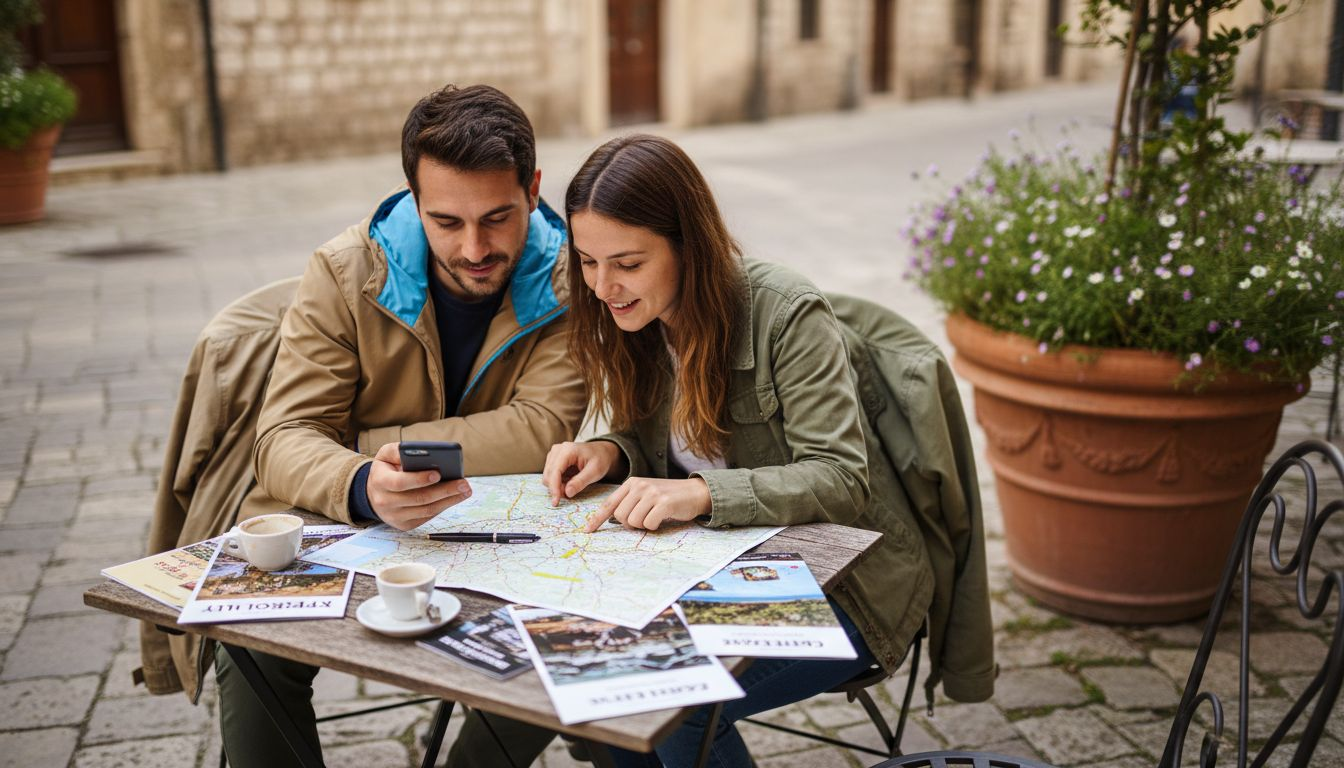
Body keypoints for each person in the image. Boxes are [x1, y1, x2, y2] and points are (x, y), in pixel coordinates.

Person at [541, 134, 992, 767]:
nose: (603, 286)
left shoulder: (785, 313)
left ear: (688, 247)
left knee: (672, 702)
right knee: (597, 679)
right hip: (714, 569)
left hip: (848, 581)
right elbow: (661, 442)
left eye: (628, 263)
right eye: (588, 261)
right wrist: (609, 452)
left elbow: (839, 478)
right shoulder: (635, 321)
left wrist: (699, 495)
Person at [218, 84, 586, 768]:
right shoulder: (342, 269)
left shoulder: (572, 276)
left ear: (534, 189)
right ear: (414, 199)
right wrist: (362, 482)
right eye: (447, 221)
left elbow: (543, 429)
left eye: (498, 217)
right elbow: (282, 438)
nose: (474, 246)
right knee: (249, 646)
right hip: (346, 524)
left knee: (570, 634)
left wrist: (361, 447)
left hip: (501, 525)